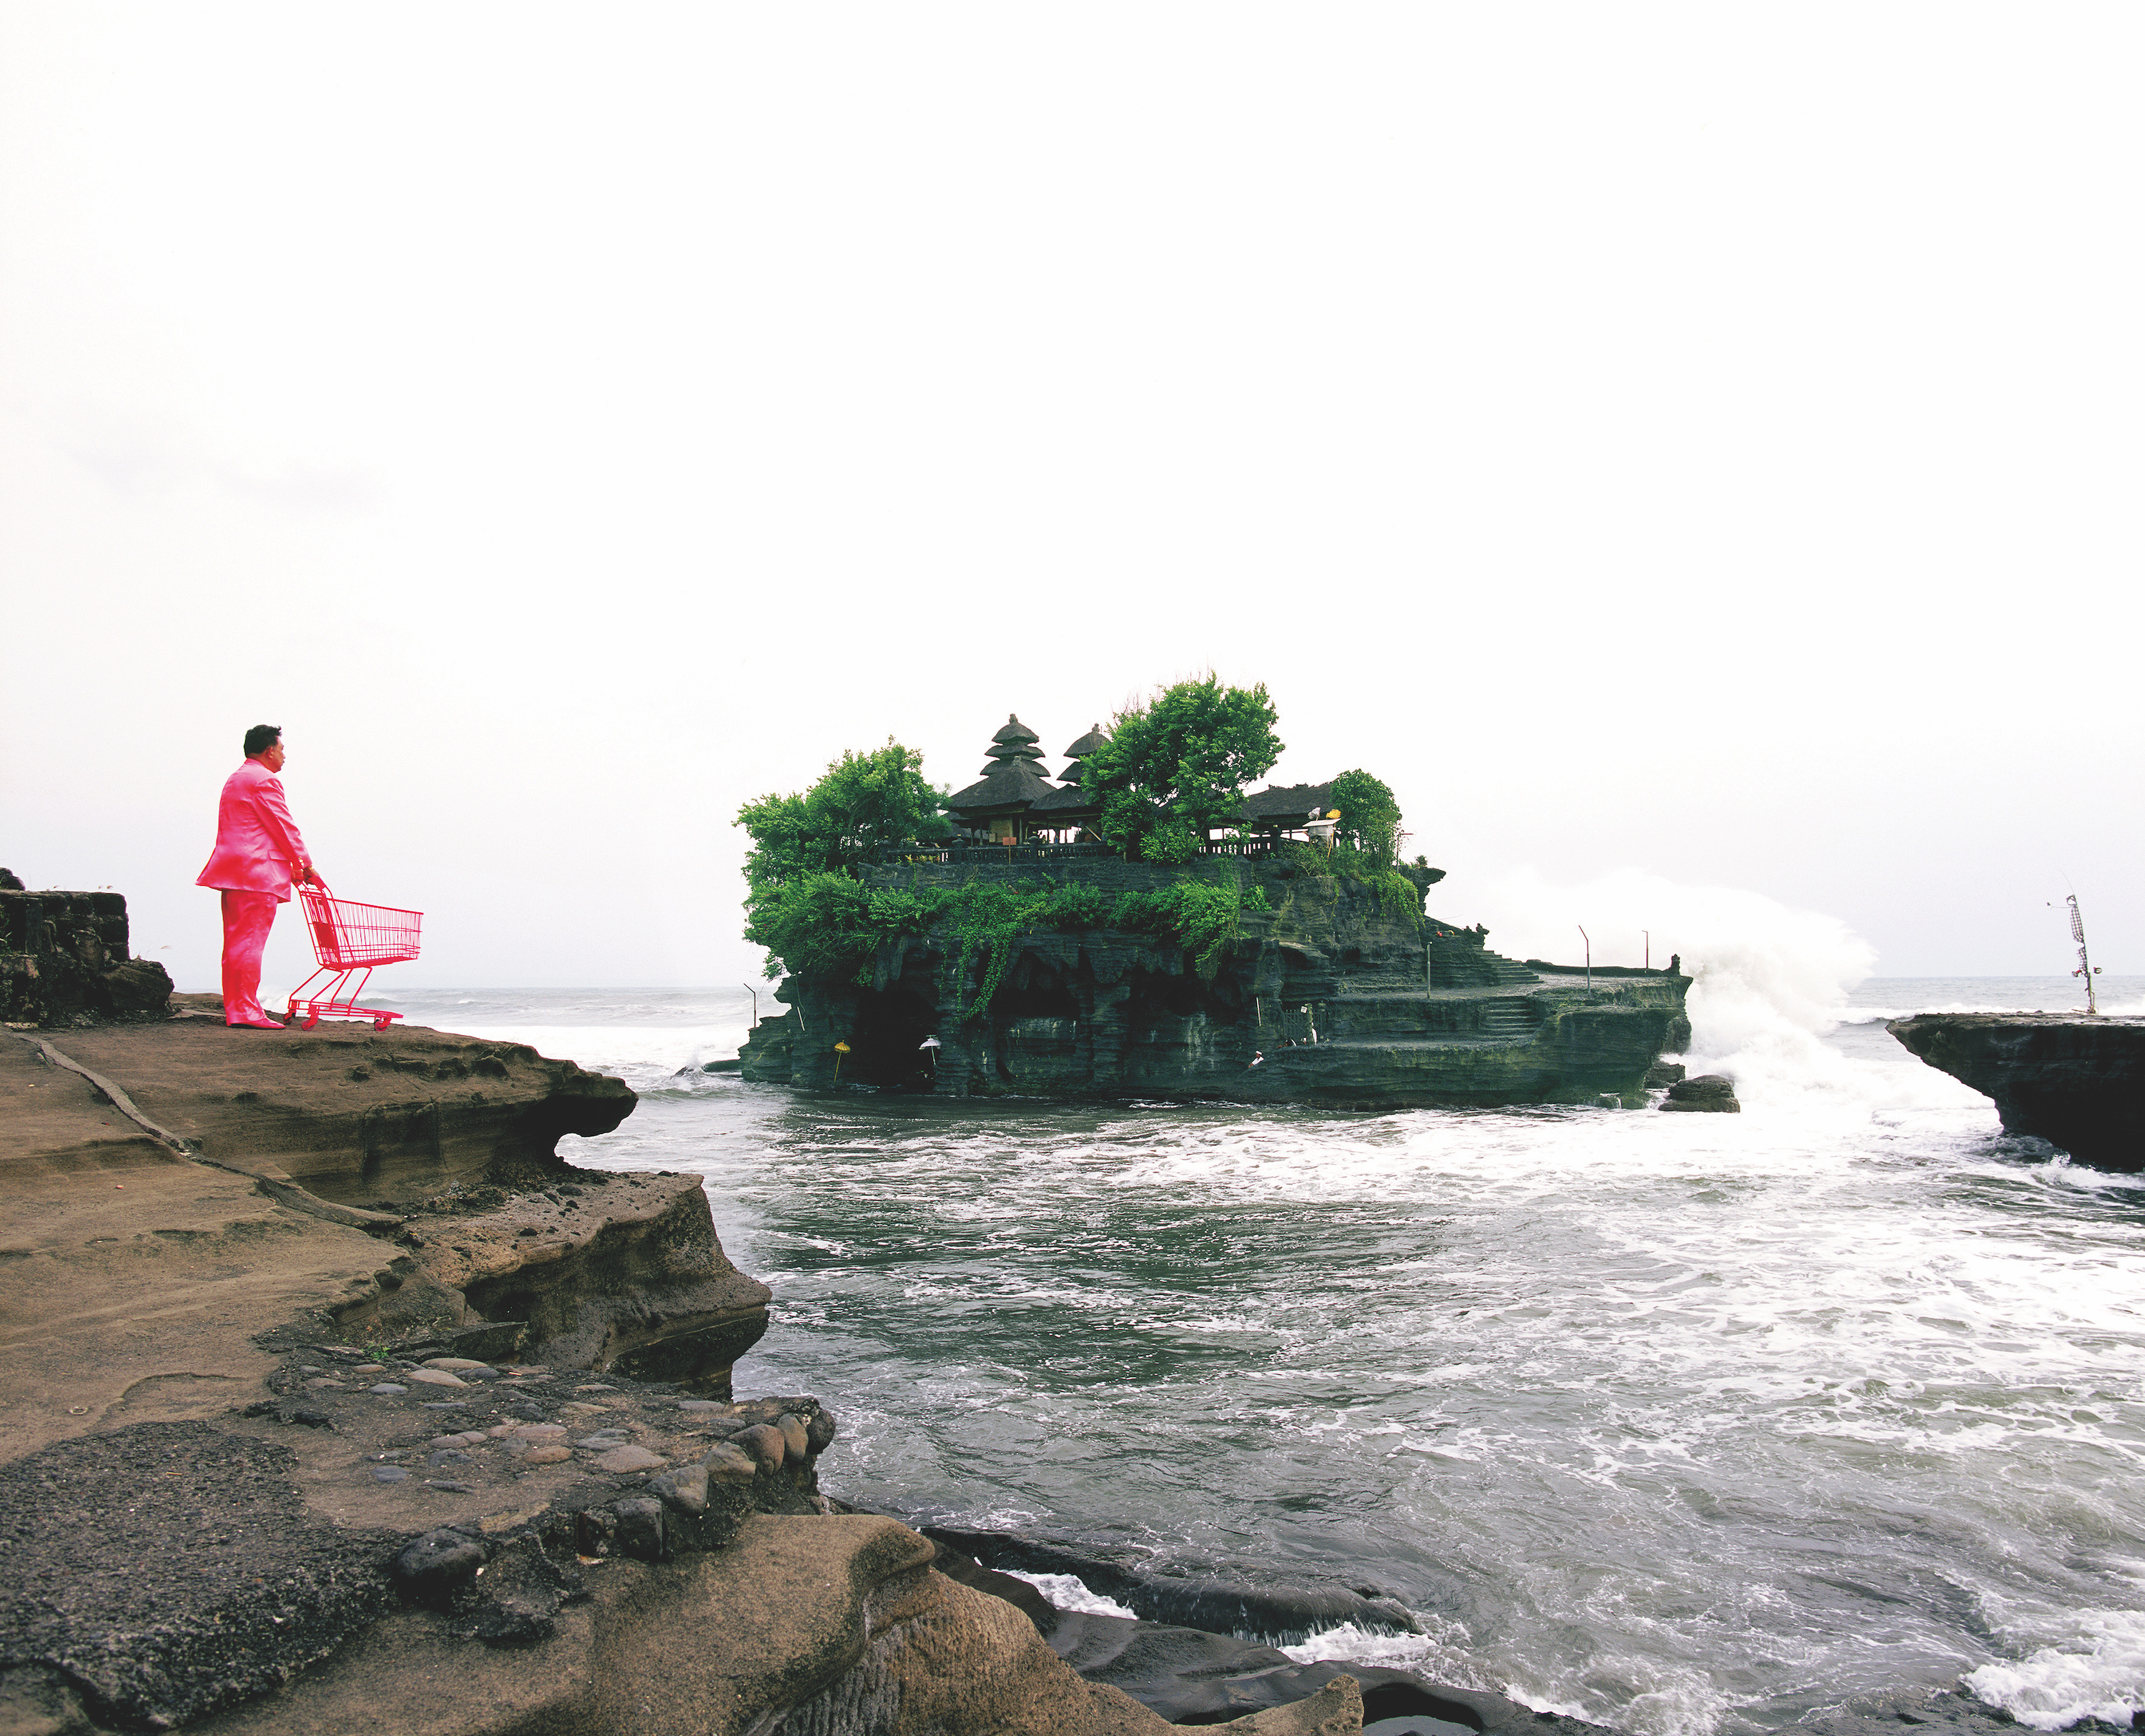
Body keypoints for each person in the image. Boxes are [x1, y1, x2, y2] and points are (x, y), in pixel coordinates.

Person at [196, 725, 317, 1030]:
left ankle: (238, 1008)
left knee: (236, 943)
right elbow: (282, 827)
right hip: (256, 872)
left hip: (235, 870)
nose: (284, 756)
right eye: (282, 749)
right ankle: (247, 1011)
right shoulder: (265, 781)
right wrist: (305, 865)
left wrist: (294, 867)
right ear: (269, 751)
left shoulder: (237, 778)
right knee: (250, 943)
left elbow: (256, 829)